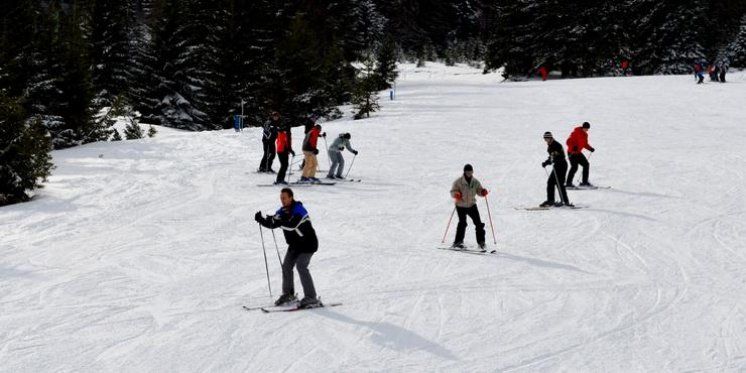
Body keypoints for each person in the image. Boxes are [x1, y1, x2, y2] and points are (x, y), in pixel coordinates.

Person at [254, 188, 321, 308]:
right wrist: (262, 220)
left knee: (301, 266)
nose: (282, 200)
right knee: (286, 266)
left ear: (291, 197)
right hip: (295, 245)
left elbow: (292, 226)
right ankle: (288, 294)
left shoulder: (299, 210)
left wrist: (278, 222)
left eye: (284, 198)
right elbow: (274, 223)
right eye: (281, 198)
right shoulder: (282, 210)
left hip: (308, 244)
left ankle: (311, 297)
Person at [450, 164, 489, 250]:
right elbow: (453, 191)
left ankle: (481, 242)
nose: (469, 173)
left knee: (478, 223)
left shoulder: (475, 182)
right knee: (462, 223)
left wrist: (483, 192)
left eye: (470, 171)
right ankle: (458, 242)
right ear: (464, 172)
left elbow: (479, 190)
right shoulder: (458, 181)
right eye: (467, 171)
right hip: (460, 205)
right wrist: (456, 194)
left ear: (472, 172)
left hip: (471, 205)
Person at [541, 132, 572, 207]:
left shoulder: (556, 145)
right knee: (551, 182)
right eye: (545, 139)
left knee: (559, 184)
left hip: (561, 165)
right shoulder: (550, 146)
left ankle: (565, 201)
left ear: (551, 138)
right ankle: (550, 200)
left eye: (547, 138)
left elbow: (558, 155)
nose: (546, 140)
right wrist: (546, 162)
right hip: (557, 165)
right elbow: (552, 157)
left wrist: (553, 159)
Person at [565, 122, 595, 187]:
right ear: (583, 127)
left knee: (586, 164)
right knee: (574, 167)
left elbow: (585, 144)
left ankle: (584, 182)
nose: (587, 130)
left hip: (578, 153)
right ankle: (568, 183)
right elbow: (568, 142)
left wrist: (590, 148)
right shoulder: (576, 132)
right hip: (572, 153)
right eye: (586, 128)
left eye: (587, 129)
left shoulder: (585, 135)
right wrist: (573, 147)